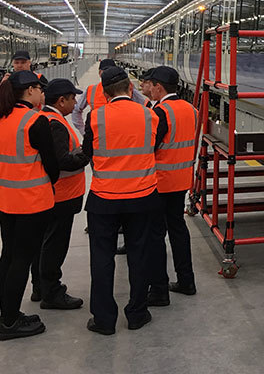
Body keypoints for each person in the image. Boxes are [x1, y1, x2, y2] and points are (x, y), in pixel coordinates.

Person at [83, 66, 160, 335]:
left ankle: (104, 320)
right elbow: (154, 147)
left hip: (104, 198)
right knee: (139, 255)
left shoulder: (95, 116)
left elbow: (87, 152)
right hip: (142, 196)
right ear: (131, 88)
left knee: (102, 259)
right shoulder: (150, 115)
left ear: (104, 93)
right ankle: (137, 313)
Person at [0, 71, 58, 340]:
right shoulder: (34, 121)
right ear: (29, 91)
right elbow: (52, 163)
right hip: (32, 202)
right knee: (22, 260)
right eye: (40, 89)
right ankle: (10, 322)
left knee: (8, 256)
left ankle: (7, 314)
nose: (42, 94)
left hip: (5, 200)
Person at [29, 78, 89, 310]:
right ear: (61, 100)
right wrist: (87, 153)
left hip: (54, 195)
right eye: (73, 98)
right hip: (61, 196)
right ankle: (52, 292)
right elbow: (63, 161)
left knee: (44, 242)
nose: (76, 103)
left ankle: (40, 287)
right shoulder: (54, 123)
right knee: (54, 245)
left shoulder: (47, 119)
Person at [146, 66, 198, 307]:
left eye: (152, 85)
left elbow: (151, 146)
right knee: (178, 229)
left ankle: (159, 290)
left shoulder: (161, 112)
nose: (149, 89)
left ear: (159, 86)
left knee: (155, 236)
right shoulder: (191, 110)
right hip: (182, 180)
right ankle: (187, 280)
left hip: (160, 181)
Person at [72, 59, 147, 134]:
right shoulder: (91, 90)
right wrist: (83, 131)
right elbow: (76, 110)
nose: (109, 73)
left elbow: (144, 105)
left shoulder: (128, 88)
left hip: (122, 134)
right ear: (99, 73)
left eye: (112, 70)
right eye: (106, 70)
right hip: (100, 136)